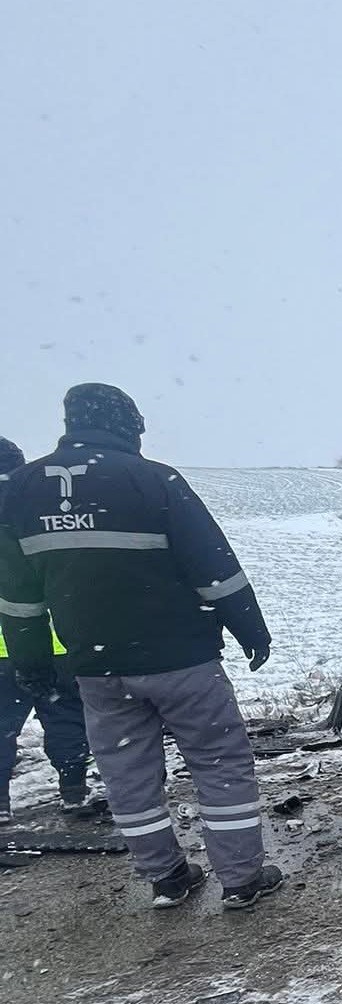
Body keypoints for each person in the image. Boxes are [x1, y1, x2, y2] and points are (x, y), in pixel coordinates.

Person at [0, 384, 283, 909]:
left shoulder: (21, 489)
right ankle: (242, 879)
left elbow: (18, 598)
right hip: (183, 661)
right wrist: (251, 630)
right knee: (219, 763)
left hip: (98, 669)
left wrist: (31, 661)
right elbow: (214, 567)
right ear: (127, 424)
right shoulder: (152, 479)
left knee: (126, 774)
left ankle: (167, 878)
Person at [0, 436, 94, 823]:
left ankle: (0, 806)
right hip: (55, 639)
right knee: (65, 716)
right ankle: (74, 792)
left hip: (3, 650)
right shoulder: (41, 508)